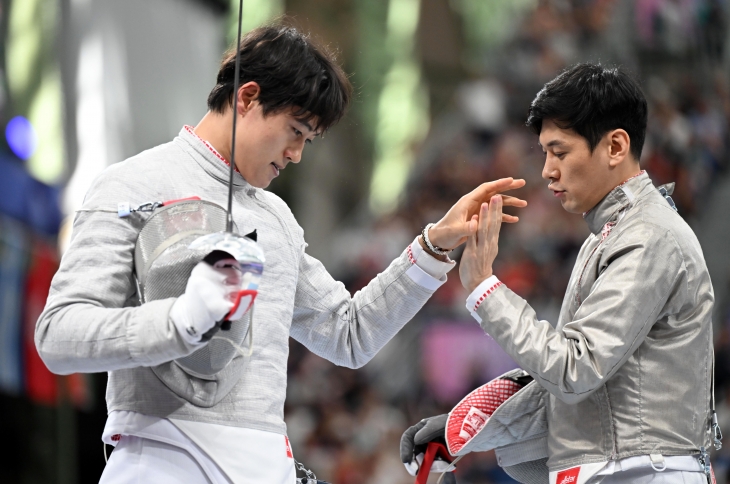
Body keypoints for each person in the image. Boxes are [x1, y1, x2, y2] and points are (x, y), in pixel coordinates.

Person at [35, 25, 526, 483]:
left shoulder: (276, 219)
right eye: (296, 130)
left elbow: (348, 333)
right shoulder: (131, 184)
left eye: (309, 140)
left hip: (262, 465)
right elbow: (59, 335)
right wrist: (181, 321)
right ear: (248, 97)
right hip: (161, 459)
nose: (296, 154)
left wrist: (434, 246)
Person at [402, 63, 717, 483]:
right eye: (545, 153)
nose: (548, 169)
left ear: (616, 147)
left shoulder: (650, 236)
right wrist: (466, 427)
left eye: (560, 152)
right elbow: (579, 387)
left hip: (643, 471)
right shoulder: (608, 236)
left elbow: (574, 370)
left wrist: (483, 288)